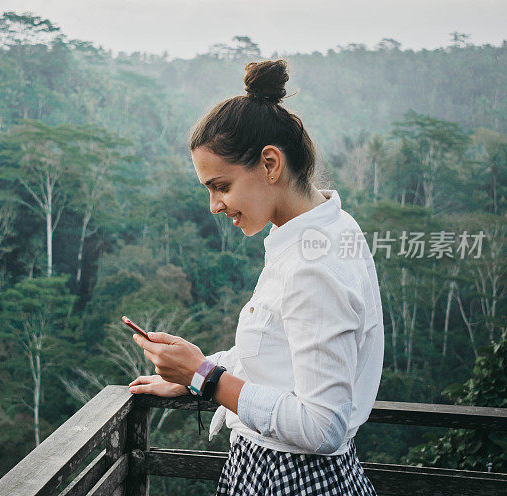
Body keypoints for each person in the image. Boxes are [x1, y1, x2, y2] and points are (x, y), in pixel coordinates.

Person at [128, 59, 383, 495]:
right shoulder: (326, 229)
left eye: (221, 186)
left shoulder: (313, 263)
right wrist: (197, 370)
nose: (215, 205)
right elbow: (280, 358)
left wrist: (207, 381)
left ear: (270, 164)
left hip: (292, 481)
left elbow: (325, 427)